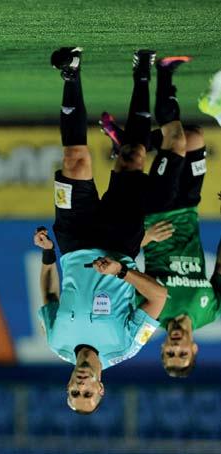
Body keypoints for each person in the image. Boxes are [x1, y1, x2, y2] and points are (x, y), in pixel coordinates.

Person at [35, 47, 168, 415]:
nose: (80, 388)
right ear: (100, 388)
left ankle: (71, 72)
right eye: (87, 394)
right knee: (132, 157)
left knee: (75, 161)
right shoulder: (125, 346)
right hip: (119, 243)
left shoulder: (55, 343)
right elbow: (159, 298)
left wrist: (49, 255)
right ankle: (143, 72)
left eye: (74, 394)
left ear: (68, 385)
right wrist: (122, 271)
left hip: (73, 239)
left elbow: (48, 295)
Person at [100, 57, 221, 377]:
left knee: (177, 140)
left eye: (170, 352)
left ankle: (164, 71)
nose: (176, 346)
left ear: (162, 347)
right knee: (194, 137)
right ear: (194, 349)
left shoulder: (151, 310)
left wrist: (143, 239)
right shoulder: (210, 312)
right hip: (189, 208)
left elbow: (121, 265)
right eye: (181, 353)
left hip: (158, 209)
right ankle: (126, 141)